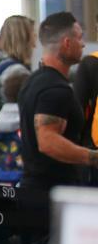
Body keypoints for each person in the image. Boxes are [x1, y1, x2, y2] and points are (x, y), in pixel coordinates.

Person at [19, 12, 98, 195]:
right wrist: (93, 157)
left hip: (38, 187)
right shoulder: (55, 89)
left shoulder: (33, 81)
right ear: (67, 43)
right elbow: (47, 142)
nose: (83, 44)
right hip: (49, 193)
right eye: (79, 38)